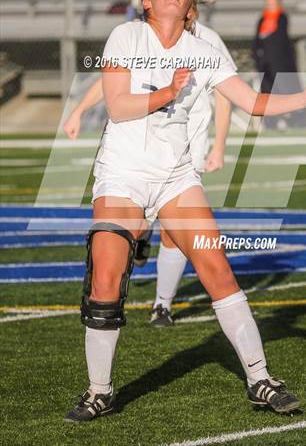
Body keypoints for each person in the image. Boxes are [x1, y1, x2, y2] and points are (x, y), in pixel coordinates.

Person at [63, 0, 306, 423]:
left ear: (191, 8)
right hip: (122, 173)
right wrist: (168, 91)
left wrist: (303, 98)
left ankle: (260, 379)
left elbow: (252, 102)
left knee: (216, 266)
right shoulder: (125, 35)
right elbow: (118, 105)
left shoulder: (204, 52)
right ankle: (100, 391)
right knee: (106, 280)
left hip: (175, 177)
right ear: (146, 2)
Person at [63, 19, 234, 327]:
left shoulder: (208, 41)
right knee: (133, 228)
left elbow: (226, 93)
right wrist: (79, 110)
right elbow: (111, 81)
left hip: (185, 151)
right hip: (139, 154)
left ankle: (161, 305)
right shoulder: (140, 36)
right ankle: (139, 239)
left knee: (176, 231)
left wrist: (219, 145)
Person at [252, 0, 306, 129]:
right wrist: (258, 58)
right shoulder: (262, 19)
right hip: (265, 65)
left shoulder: (282, 17)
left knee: (287, 91)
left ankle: (296, 120)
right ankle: (271, 122)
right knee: (267, 93)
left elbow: (280, 41)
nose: (270, 5)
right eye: (268, 2)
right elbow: (257, 41)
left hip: (281, 64)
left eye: (273, 2)